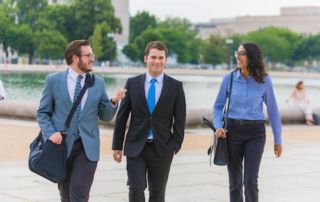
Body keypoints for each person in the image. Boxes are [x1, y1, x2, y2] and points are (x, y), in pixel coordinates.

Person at [37, 40, 126, 202]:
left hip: (88, 147)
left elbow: (105, 116)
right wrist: (50, 133)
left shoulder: (98, 83)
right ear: (75, 57)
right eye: (89, 55)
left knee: (79, 192)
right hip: (61, 146)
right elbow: (42, 113)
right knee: (65, 195)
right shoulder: (53, 81)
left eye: (92, 55)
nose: (92, 58)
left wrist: (113, 101)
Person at [112, 41, 186, 202]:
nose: (157, 61)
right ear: (146, 58)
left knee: (157, 194)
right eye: (153, 57)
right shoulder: (132, 84)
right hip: (135, 146)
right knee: (136, 187)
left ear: (166, 60)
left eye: (161, 57)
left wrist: (176, 144)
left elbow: (180, 119)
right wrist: (117, 145)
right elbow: (122, 116)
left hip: (162, 148)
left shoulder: (176, 87)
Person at [213, 41, 282, 202]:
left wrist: (278, 140)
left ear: (252, 56)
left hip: (255, 133)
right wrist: (218, 126)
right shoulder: (229, 78)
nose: (237, 56)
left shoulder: (265, 81)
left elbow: (273, 111)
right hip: (231, 132)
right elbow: (218, 106)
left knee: (250, 180)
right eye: (237, 53)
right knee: (234, 182)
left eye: (242, 53)